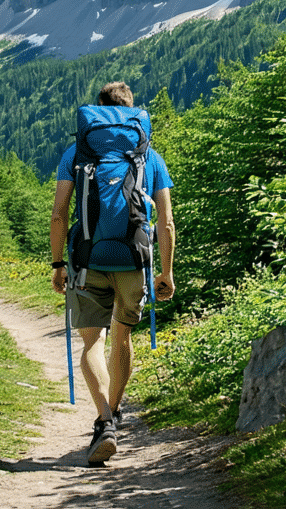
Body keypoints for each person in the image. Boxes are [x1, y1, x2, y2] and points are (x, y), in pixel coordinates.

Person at [50, 81, 176, 465]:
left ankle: (104, 420)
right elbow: (166, 222)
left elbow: (58, 215)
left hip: (87, 259)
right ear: (131, 112)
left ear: (99, 112)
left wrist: (58, 264)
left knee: (91, 342)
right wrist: (166, 273)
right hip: (134, 262)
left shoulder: (77, 151)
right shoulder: (148, 156)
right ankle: (114, 413)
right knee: (122, 335)